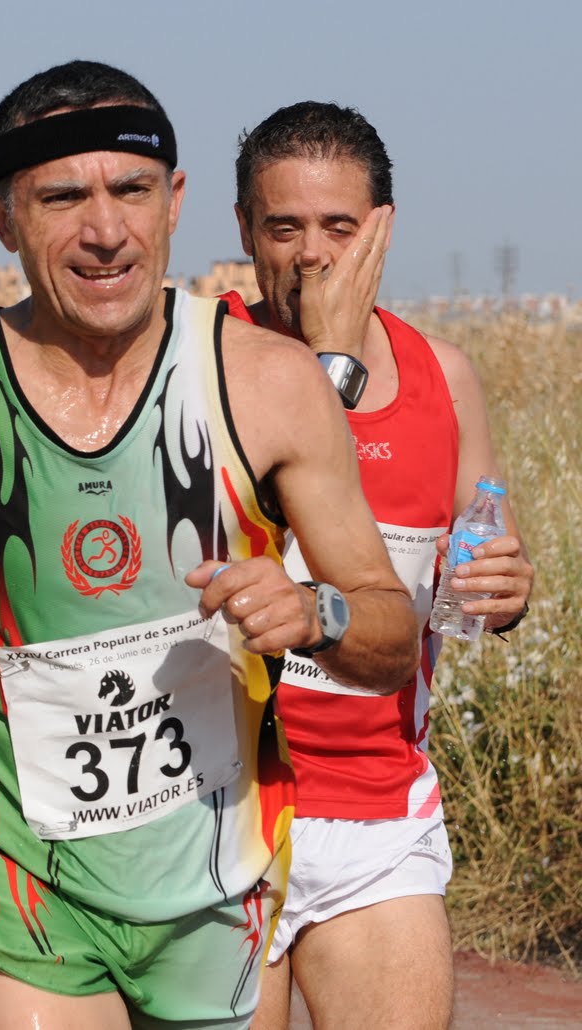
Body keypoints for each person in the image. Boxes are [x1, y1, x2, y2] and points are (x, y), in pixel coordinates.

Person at [0, 62, 422, 1029]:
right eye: (62, 198)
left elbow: (389, 634)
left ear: (175, 200)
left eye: (132, 190)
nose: (105, 232)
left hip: (221, 873)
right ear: (1, 216)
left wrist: (316, 612)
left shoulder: (267, 382)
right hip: (18, 870)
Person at [226, 102, 534, 1030]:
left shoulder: (444, 374)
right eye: (283, 228)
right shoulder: (208, 361)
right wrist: (324, 360)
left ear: (384, 232)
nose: (311, 255)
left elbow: (484, 563)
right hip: (225, 805)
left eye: (339, 228)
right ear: (244, 230)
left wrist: (509, 591)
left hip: (376, 807)